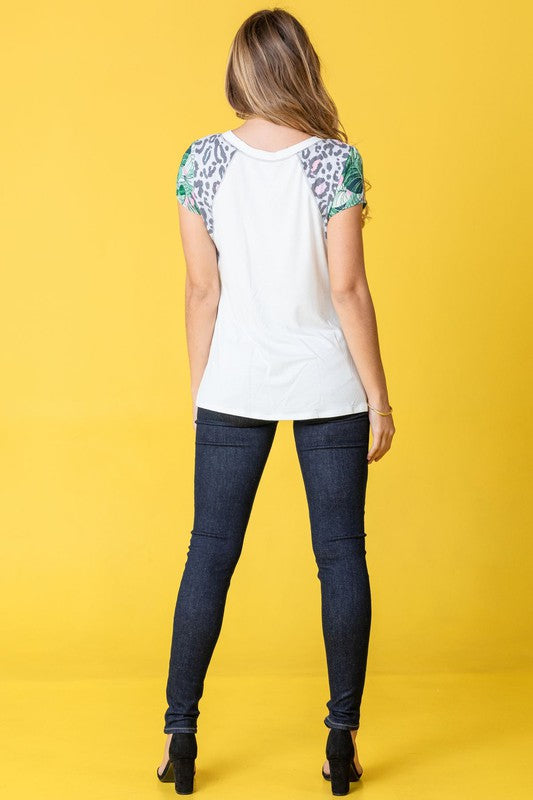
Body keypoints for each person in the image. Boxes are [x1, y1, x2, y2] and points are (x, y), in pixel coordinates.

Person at [157, 7, 395, 795]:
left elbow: (200, 291)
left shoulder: (200, 162)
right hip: (327, 381)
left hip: (234, 382)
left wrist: (203, 393)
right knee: (340, 558)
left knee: (208, 556)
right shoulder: (336, 162)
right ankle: (338, 744)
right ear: (302, 67)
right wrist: (379, 398)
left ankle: (179, 742)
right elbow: (347, 287)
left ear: (241, 72)